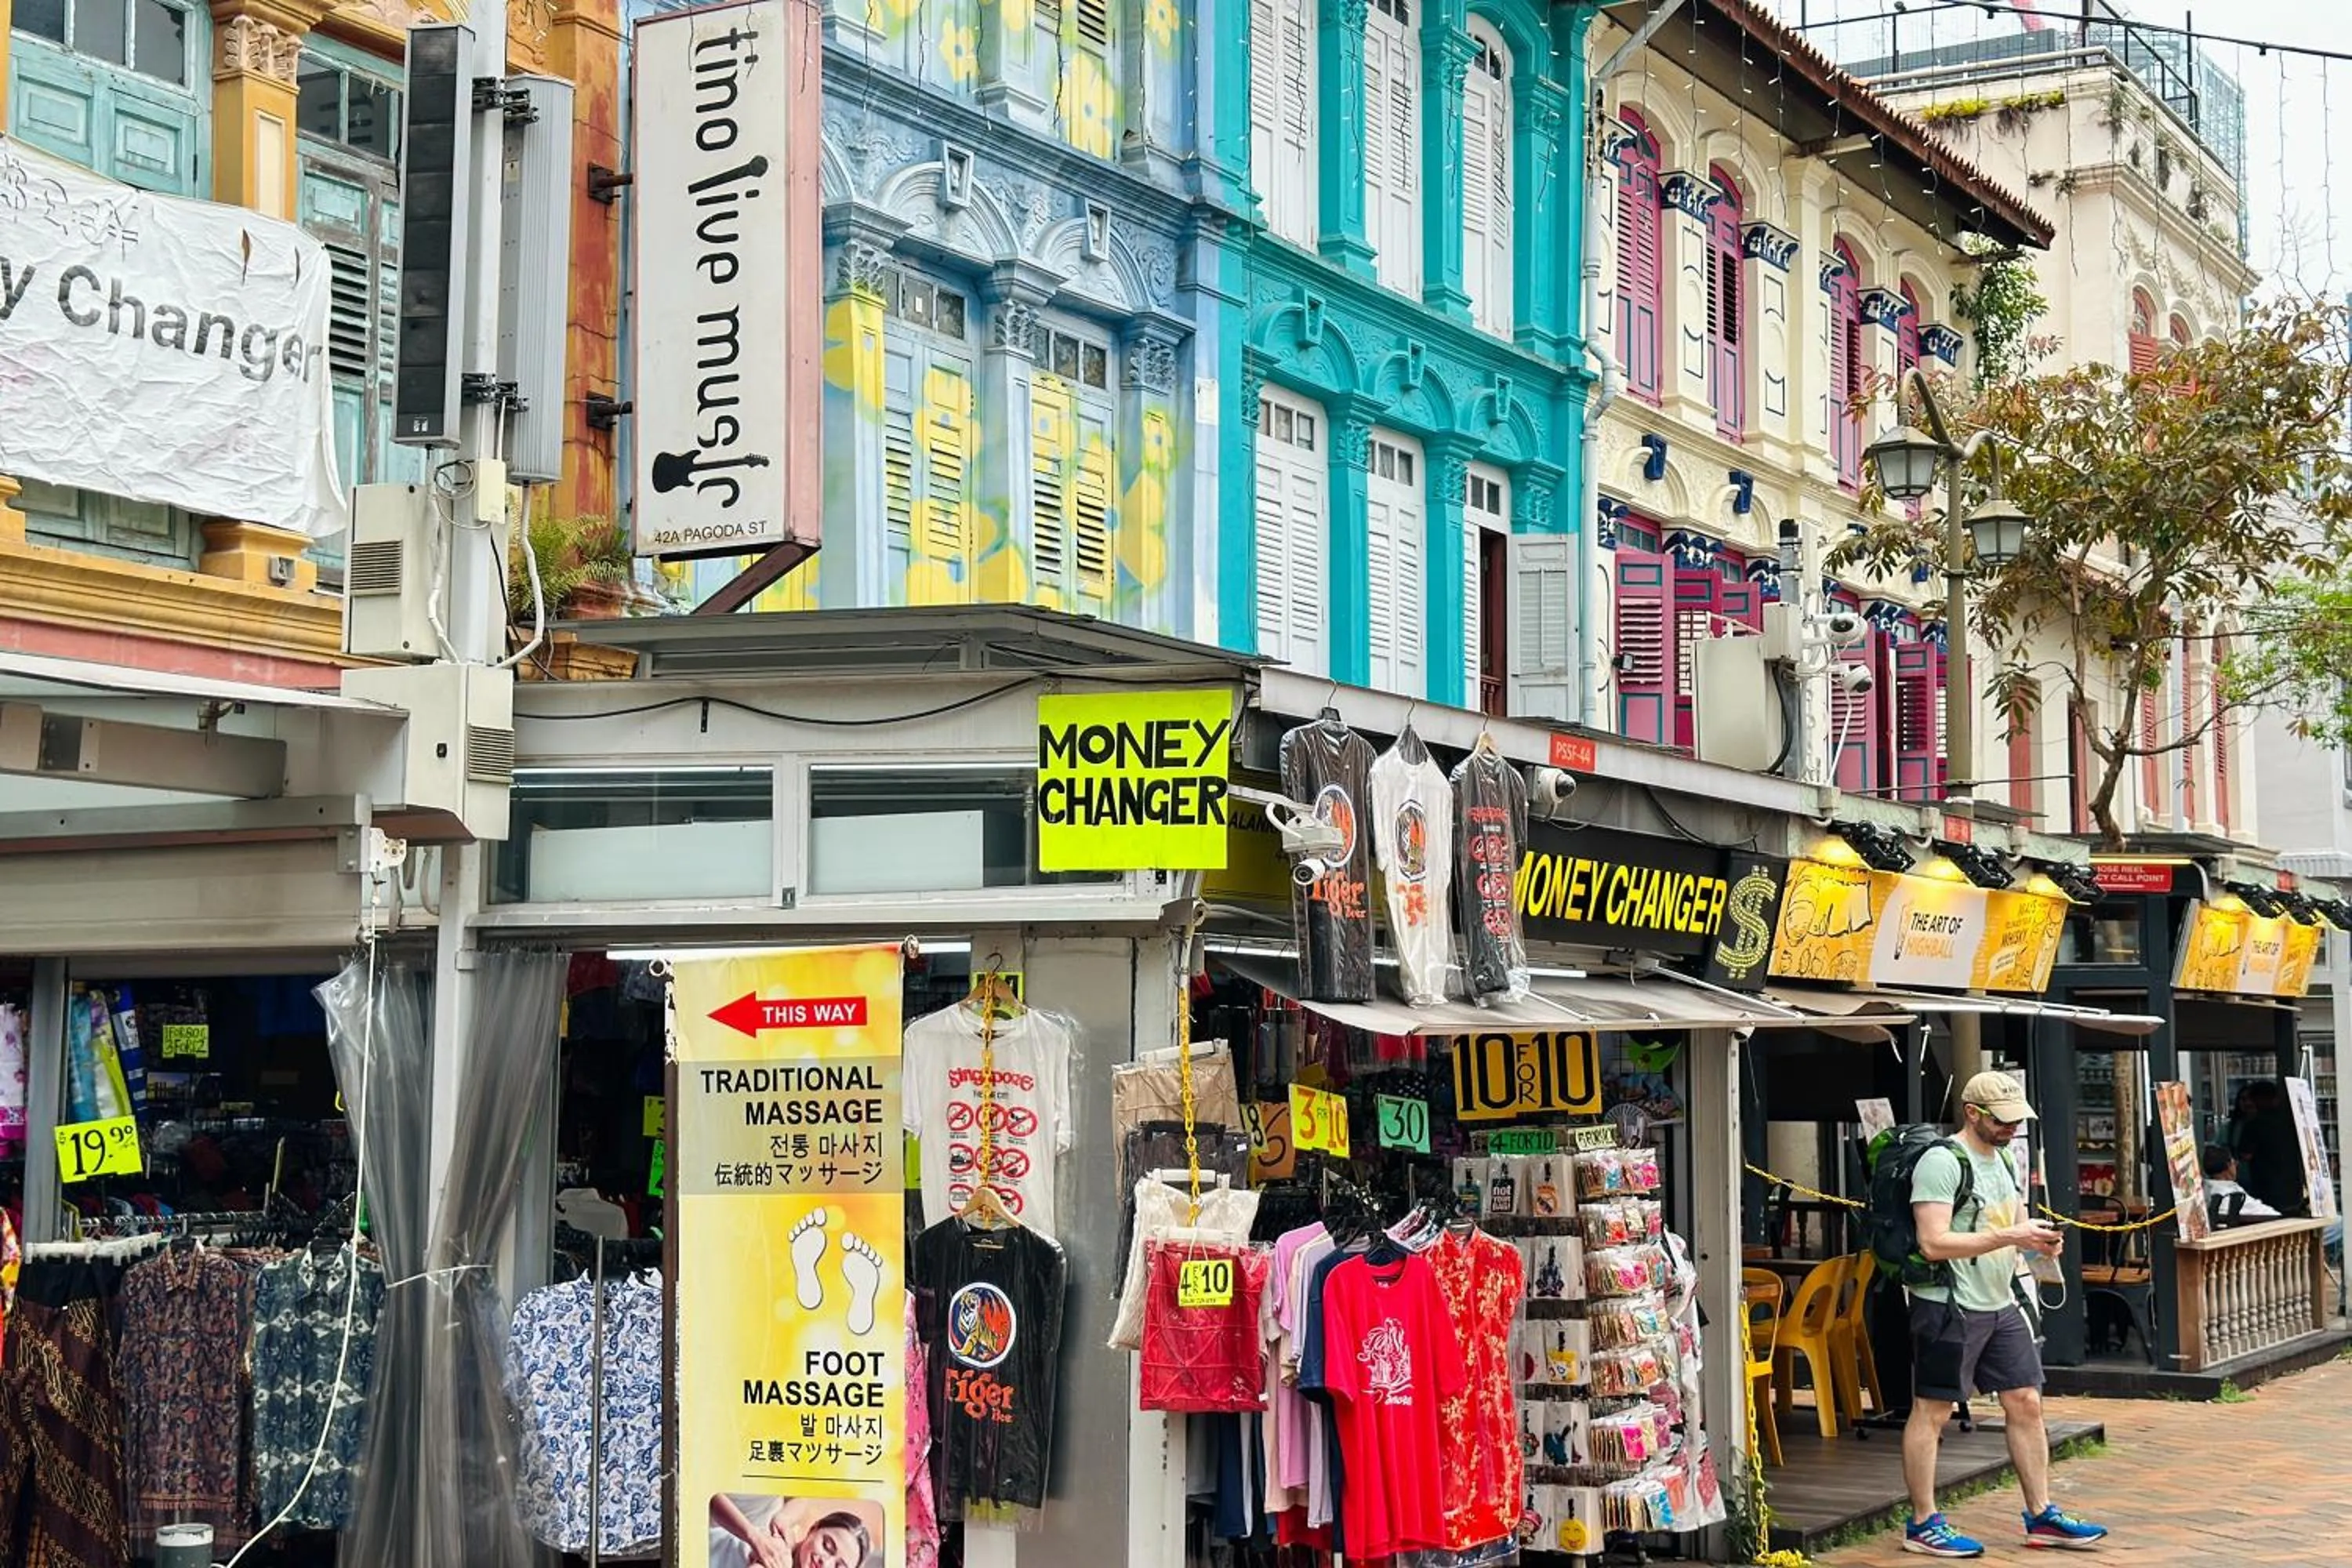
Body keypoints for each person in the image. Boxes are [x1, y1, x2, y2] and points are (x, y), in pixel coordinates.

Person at [1900, 1071, 2109, 1559]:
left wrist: (2038, 1242)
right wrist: (2009, 1238)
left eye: (2018, 1119)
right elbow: (1932, 1242)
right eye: (2003, 1120)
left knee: (2027, 1401)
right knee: (1932, 1410)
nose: (2012, 1127)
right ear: (1973, 1113)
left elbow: (2013, 1220)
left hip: (1999, 1300)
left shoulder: (2003, 1159)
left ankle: (2041, 1514)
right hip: (1949, 1303)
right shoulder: (1941, 1162)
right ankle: (1922, 1522)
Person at [710, 1497, 877, 1568]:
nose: (825, 1563)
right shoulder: (779, 1552)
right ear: (814, 1528)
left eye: (839, 1567)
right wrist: (782, 1519)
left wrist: (783, 1517)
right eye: (827, 1546)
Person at [2201, 1143, 2280, 1224]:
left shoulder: (2203, 1192)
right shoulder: (2233, 1194)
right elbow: (2268, 1214)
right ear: (2228, 1165)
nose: (2236, 1166)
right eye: (2234, 1162)